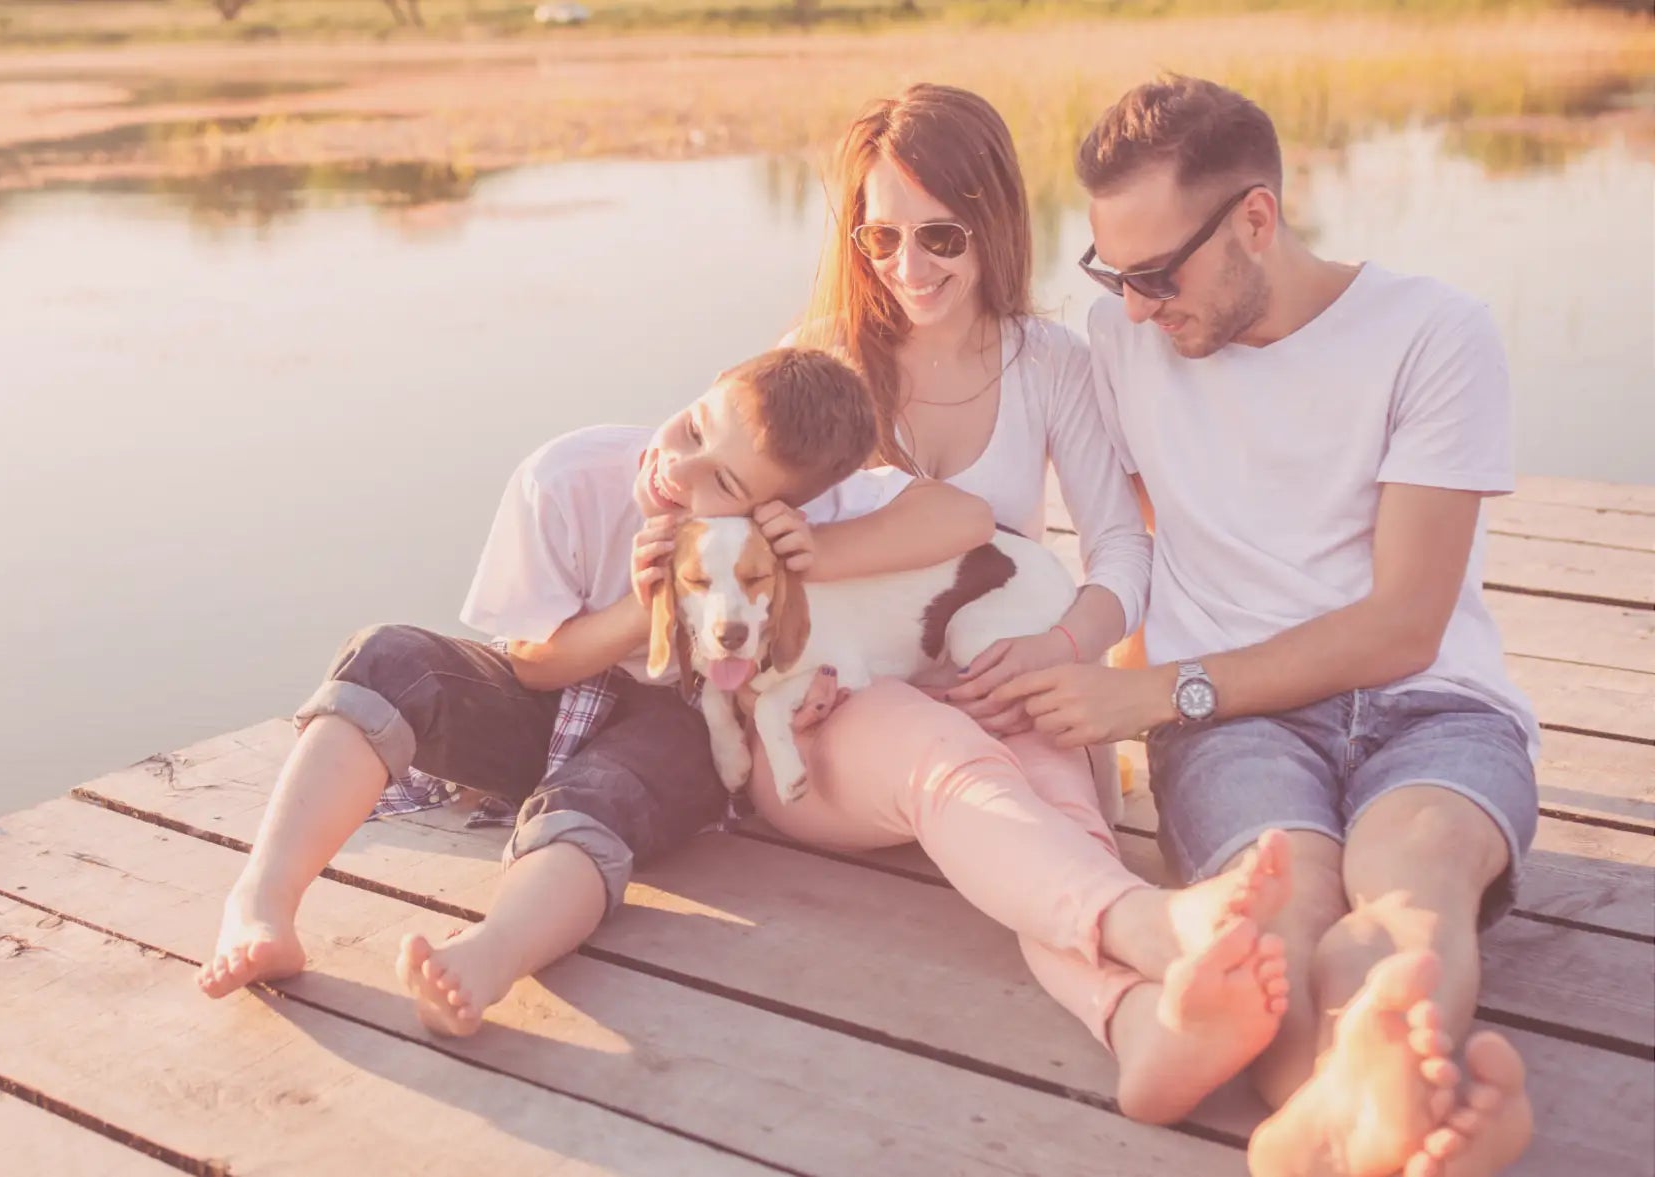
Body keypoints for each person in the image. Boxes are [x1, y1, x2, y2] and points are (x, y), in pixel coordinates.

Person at [991, 74, 1538, 1176]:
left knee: (1412, 881)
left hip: (1429, 709)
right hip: (1237, 738)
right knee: (1277, 924)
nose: (1135, 307)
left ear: (1255, 217)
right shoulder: (1123, 339)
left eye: (1156, 273)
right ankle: (1374, 1109)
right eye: (1113, 272)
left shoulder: (1432, 333)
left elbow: (1401, 626)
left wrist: (1157, 692)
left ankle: (1350, 1113)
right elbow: (1126, 528)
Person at [752, 83, 1294, 1125]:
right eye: (879, 240)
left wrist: (1061, 646)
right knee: (941, 751)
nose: (907, 270)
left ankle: (1139, 1028)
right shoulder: (818, 361)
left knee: (1048, 787)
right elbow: (734, 549)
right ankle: (1151, 925)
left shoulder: (1046, 361)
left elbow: (1119, 545)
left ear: (993, 219)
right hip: (825, 732)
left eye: (940, 236)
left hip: (995, 679)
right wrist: (785, 665)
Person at [198, 346, 1000, 1038]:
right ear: (705, 388)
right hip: (548, 690)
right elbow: (532, 663)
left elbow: (965, 517)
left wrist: (818, 547)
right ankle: (262, 903)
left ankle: (490, 954)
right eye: (691, 428)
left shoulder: (810, 503)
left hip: (684, 723)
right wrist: (636, 610)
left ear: (776, 507)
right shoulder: (568, 474)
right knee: (387, 655)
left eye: (717, 479)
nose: (674, 469)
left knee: (604, 795)